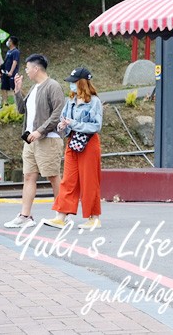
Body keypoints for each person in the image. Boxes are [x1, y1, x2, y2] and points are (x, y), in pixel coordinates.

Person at [3, 54, 64, 229]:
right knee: (28, 176)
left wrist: (40, 131)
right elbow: (22, 110)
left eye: (28, 68)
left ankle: (62, 214)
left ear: (36, 68)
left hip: (48, 139)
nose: (26, 71)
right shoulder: (34, 88)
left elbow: (58, 113)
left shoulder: (53, 86)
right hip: (30, 141)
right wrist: (17, 90)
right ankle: (25, 216)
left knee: (53, 176)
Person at [44, 67, 103, 230]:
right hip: (72, 141)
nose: (71, 86)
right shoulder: (70, 101)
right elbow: (63, 120)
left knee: (89, 180)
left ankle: (94, 217)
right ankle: (61, 216)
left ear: (82, 83)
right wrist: (63, 126)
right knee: (68, 180)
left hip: (89, 143)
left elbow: (96, 126)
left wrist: (73, 124)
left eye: (73, 82)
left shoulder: (94, 102)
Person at [0, 35, 20, 108]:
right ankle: (6, 104)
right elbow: (6, 62)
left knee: (16, 89)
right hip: (5, 73)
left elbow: (15, 62)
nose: (7, 42)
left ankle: (22, 101)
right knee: (3, 88)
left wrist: (11, 72)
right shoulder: (9, 51)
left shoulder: (16, 52)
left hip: (12, 74)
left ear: (12, 42)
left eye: (9, 40)